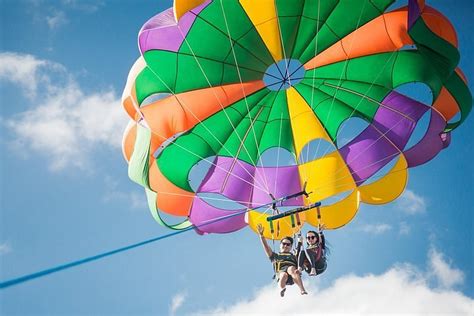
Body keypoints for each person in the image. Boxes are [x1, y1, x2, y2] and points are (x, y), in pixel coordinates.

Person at [257, 224, 308, 297]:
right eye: (284, 244)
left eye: (288, 244)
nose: (285, 246)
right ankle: (282, 288)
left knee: (291, 268)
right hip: (281, 274)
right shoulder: (275, 256)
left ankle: (302, 289)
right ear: (280, 245)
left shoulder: (293, 256)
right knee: (283, 275)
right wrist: (261, 236)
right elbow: (266, 247)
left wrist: (302, 268)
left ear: (291, 247)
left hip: (293, 275)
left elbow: (301, 264)